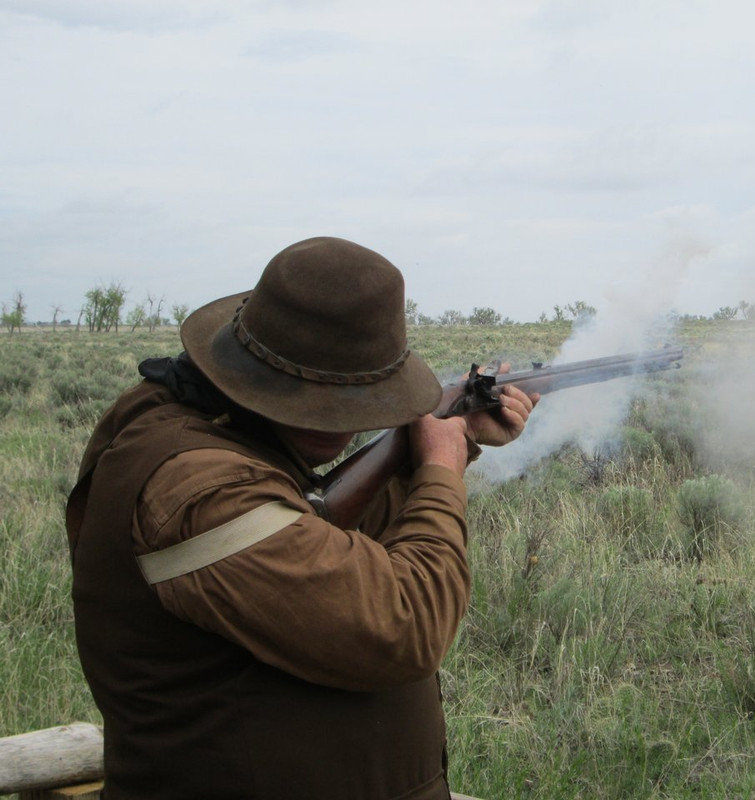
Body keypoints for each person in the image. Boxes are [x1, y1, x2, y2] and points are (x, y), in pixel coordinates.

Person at [65, 236, 538, 800]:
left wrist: (436, 450)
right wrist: (441, 465)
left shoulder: (219, 427)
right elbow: (405, 624)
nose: (345, 423)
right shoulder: (197, 487)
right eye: (334, 400)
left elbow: (322, 537)